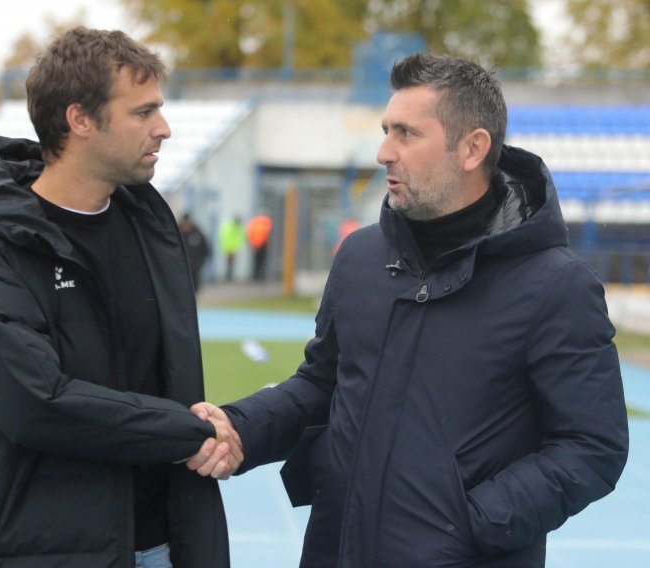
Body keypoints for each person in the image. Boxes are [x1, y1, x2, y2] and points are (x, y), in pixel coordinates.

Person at [187, 53, 629, 567]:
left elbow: (592, 446)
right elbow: (321, 386)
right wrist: (241, 426)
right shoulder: (359, 258)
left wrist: (471, 523)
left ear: (472, 148)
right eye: (385, 130)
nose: (382, 152)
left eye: (405, 134)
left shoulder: (556, 285)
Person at [0, 27, 238, 568]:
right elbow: (35, 402)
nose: (163, 129)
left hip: (163, 543)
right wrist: (191, 433)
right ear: (80, 120)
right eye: (143, 113)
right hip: (35, 548)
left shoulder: (150, 226)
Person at [178, 212, 210, 293]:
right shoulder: (176, 234)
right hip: (180, 268)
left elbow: (205, 250)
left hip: (194, 269)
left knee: (194, 289)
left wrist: (199, 264)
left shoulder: (197, 234)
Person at [246, 212, 272, 281]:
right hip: (262, 244)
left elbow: (250, 233)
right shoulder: (266, 221)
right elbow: (267, 233)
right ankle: (260, 277)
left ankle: (256, 276)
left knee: (257, 262)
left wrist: (252, 244)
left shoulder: (254, 222)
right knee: (261, 261)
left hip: (256, 245)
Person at [218, 215, 244, 281]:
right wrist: (232, 250)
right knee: (230, 264)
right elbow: (231, 240)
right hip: (230, 249)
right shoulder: (234, 228)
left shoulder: (232, 227)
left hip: (230, 249)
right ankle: (228, 277)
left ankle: (228, 277)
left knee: (229, 264)